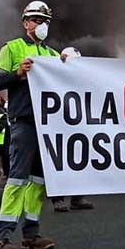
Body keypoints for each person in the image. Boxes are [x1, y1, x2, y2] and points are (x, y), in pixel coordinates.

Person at [0, 0, 60, 249]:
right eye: (36, 20)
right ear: (26, 23)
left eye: (45, 20)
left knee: (39, 181)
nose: (41, 25)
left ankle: (31, 234)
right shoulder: (12, 48)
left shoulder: (53, 55)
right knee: (17, 179)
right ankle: (3, 237)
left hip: (48, 125)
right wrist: (19, 73)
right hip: (24, 121)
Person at [51, 47, 94, 212]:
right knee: (60, 162)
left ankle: (77, 197)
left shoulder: (81, 79)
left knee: (80, 160)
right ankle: (58, 199)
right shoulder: (53, 77)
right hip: (59, 125)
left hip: (78, 124)